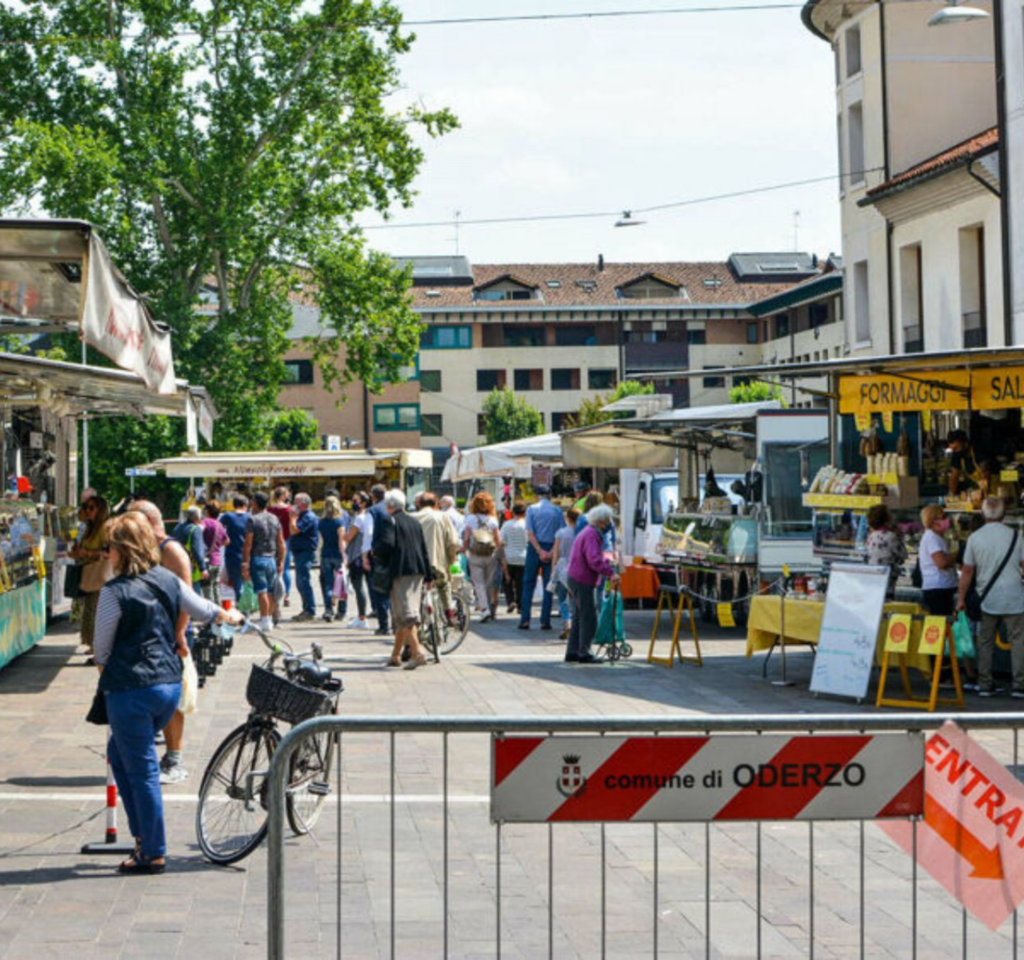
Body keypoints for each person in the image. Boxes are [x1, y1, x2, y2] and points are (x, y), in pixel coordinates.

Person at [94, 512, 244, 874]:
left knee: (141, 768)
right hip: (167, 686)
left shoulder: (114, 593)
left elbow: (101, 649)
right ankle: (144, 837)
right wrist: (230, 616)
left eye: (107, 547)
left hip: (130, 689)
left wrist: (112, 679)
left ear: (120, 550)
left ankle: (152, 850)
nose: (105, 554)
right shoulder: (167, 580)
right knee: (120, 754)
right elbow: (203, 609)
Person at [131, 500, 196, 784]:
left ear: (147, 521)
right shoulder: (144, 549)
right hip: (151, 633)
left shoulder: (171, 550)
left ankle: (175, 759)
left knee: (174, 698)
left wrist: (180, 633)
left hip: (171, 634)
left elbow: (187, 598)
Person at [957, 497, 1024, 697]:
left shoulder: (975, 538)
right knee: (1018, 640)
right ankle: (1019, 684)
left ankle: (984, 683)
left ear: (983, 514)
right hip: (1014, 596)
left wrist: (961, 598)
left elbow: (967, 571)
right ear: (1003, 515)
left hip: (986, 598)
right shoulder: (1016, 536)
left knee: (985, 641)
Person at [372, 489, 433, 670]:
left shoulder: (388, 520)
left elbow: (386, 545)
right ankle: (395, 655)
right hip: (417, 570)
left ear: (389, 505)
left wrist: (375, 553)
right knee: (400, 614)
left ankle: (418, 653)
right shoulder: (414, 521)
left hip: (400, 571)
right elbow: (423, 548)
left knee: (406, 615)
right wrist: (429, 574)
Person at [565, 504, 620, 664]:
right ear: (602, 521)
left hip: (576, 577)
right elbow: (593, 559)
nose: (610, 523)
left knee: (578, 616)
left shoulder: (588, 532)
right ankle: (584, 652)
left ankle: (573, 651)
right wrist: (610, 572)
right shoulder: (592, 535)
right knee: (588, 617)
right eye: (608, 520)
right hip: (583, 579)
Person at [70, 495, 112, 663]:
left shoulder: (105, 529)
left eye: (91, 508)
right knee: (90, 612)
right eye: (85, 507)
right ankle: (95, 648)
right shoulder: (90, 528)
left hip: (100, 577)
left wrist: (87, 554)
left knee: (96, 613)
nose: (87, 511)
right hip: (90, 575)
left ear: (100, 510)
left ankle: (99, 652)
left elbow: (109, 553)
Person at [518, 484, 564, 631]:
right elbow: (560, 534)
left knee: (528, 584)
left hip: (534, 548)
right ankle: (545, 620)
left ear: (537, 495)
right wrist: (550, 552)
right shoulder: (557, 511)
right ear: (549, 495)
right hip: (551, 546)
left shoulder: (532, 509)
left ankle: (525, 619)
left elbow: (530, 532)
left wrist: (539, 550)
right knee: (548, 585)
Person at [413, 491, 461, 623]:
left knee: (416, 593)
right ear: (436, 504)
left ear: (419, 504)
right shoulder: (442, 516)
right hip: (436, 563)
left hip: (416, 564)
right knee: (443, 585)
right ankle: (449, 613)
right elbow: (452, 542)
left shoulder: (412, 517)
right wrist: (452, 560)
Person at [242, 491, 285, 633]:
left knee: (262, 591)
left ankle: (265, 619)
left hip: (257, 557)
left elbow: (248, 543)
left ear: (255, 503)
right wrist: (282, 561)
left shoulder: (252, 520)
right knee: (271, 591)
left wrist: (245, 563)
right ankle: (269, 619)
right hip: (271, 558)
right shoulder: (274, 519)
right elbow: (281, 542)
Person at [464, 491, 502, 622]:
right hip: (490, 554)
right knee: (489, 583)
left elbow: (467, 537)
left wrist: (464, 549)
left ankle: (484, 609)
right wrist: (501, 554)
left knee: (478, 583)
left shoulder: (470, 518)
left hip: (475, 554)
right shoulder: (493, 520)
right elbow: (497, 538)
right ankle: (487, 608)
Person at [918, 504, 958, 616]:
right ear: (933, 521)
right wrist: (956, 555)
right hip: (938, 588)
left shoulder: (936, 537)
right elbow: (941, 562)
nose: (946, 520)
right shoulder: (932, 538)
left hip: (942, 586)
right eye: (943, 517)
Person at [865, 504, 906, 599]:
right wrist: (900, 537)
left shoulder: (871, 537)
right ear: (887, 519)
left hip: (873, 579)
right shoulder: (891, 537)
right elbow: (903, 556)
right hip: (887, 581)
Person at [366, 484, 392, 636]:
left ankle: (383, 625)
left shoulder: (373, 510)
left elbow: (369, 534)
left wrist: (366, 554)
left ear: (372, 496)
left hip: (378, 553)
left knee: (379, 589)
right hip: (393, 552)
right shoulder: (391, 508)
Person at [551, 507, 580, 641]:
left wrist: (553, 569)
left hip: (562, 568)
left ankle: (567, 620)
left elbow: (556, 553)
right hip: (577, 568)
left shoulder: (560, 533)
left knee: (562, 598)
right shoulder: (581, 532)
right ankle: (575, 623)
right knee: (575, 599)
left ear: (567, 518)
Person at [289, 492, 319, 622]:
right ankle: (306, 608)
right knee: (300, 582)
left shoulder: (308, 517)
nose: (293, 505)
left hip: (305, 552)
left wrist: (292, 518)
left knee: (304, 581)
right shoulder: (301, 516)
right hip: (298, 552)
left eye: (296, 503)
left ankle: (310, 610)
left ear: (303, 504)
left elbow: (294, 530)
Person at [318, 495, 349, 623]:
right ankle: (342, 611)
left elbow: (321, 539)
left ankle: (328, 610)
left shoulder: (321, 522)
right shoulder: (339, 522)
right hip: (337, 554)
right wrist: (345, 556)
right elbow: (341, 541)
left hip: (325, 553)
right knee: (342, 584)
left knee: (328, 584)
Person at [345, 492, 373, 628]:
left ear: (363, 503)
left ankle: (362, 617)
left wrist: (340, 535)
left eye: (355, 500)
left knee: (358, 587)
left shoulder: (358, 519)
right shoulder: (369, 517)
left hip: (356, 555)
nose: (353, 503)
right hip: (368, 555)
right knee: (369, 586)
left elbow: (349, 537)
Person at [501, 502, 528, 616]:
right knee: (520, 583)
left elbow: (502, 542)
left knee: (507, 582)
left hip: (509, 557)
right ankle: (521, 606)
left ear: (513, 512)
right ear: (525, 513)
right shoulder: (527, 525)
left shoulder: (506, 525)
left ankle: (511, 601)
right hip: (523, 558)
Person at [199, 501, 229, 605]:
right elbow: (227, 541)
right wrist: (216, 546)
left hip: (207, 560)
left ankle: (210, 614)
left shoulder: (205, 522)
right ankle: (218, 612)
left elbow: (199, 530)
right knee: (216, 587)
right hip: (217, 560)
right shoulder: (220, 524)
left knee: (207, 589)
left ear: (207, 511)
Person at [219, 495, 250, 596]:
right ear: (246, 505)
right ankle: (249, 606)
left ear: (233, 505)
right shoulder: (250, 516)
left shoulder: (227, 516)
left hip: (232, 554)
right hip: (250, 554)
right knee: (249, 583)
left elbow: (217, 528)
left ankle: (243, 608)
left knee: (237, 584)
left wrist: (224, 538)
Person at [268, 487, 294, 607]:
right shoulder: (289, 509)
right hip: (286, 539)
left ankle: (273, 592)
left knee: (272, 567)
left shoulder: (269, 509)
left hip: (271, 540)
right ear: (283, 496)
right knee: (286, 568)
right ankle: (287, 595)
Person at [173, 505, 208, 589]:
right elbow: (197, 550)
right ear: (197, 517)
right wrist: (203, 568)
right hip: (192, 569)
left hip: (177, 565)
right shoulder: (196, 529)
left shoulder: (177, 528)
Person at [947, 429, 982, 496]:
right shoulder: (957, 456)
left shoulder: (978, 450)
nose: (955, 452)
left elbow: (985, 471)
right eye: (952, 449)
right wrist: (951, 493)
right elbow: (954, 477)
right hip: (979, 488)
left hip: (995, 485)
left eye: (956, 448)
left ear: (966, 444)